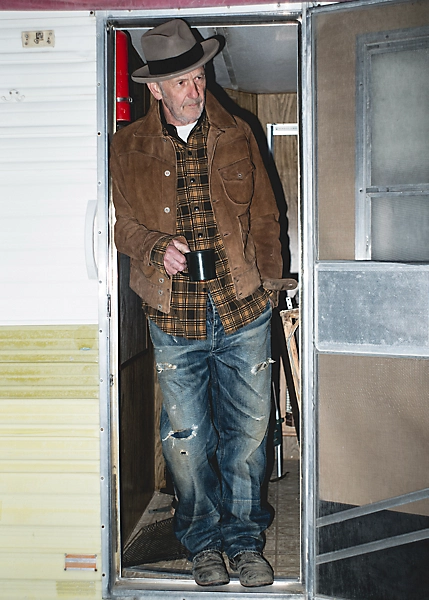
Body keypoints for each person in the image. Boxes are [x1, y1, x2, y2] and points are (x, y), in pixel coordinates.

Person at [110, 18, 283, 588]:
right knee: (186, 442)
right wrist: (157, 248)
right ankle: (203, 543)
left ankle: (245, 542)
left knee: (248, 437)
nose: (196, 88)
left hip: (242, 309)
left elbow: (266, 217)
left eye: (200, 76)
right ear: (156, 89)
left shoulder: (238, 131)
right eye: (182, 81)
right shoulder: (127, 146)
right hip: (173, 314)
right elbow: (122, 227)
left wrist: (270, 287)